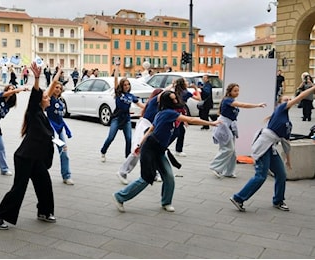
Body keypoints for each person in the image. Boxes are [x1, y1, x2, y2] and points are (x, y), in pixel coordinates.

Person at [112, 91, 221, 213]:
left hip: (159, 150)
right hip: (151, 148)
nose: (176, 101)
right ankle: (120, 196)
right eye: (173, 99)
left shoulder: (162, 113)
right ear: (168, 102)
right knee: (146, 178)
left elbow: (151, 129)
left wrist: (139, 144)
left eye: (176, 98)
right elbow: (191, 119)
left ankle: (166, 202)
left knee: (168, 177)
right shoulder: (168, 113)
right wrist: (211, 123)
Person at [0, 61, 56, 230]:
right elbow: (35, 96)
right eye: (46, 97)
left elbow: (47, 136)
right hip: (25, 158)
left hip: (37, 158)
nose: (49, 99)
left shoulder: (42, 114)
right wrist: (37, 78)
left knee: (44, 184)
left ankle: (44, 211)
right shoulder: (34, 111)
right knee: (19, 188)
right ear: (40, 101)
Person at [230, 84, 315, 212]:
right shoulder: (281, 109)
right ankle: (238, 198)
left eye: (288, 100)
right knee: (261, 176)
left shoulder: (287, 122)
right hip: (264, 145)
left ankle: (278, 200)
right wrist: (313, 88)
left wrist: (288, 160)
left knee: (281, 174)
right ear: (280, 103)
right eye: (285, 100)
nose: (287, 101)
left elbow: (286, 143)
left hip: (271, 148)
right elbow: (301, 97)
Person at [210, 83, 267, 178]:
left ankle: (228, 171)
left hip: (229, 126)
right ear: (230, 91)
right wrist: (257, 105)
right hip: (223, 126)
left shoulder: (230, 100)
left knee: (232, 151)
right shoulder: (228, 100)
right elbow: (243, 105)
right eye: (235, 91)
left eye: (238, 91)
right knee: (228, 149)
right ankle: (215, 167)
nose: (237, 93)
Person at [117, 88, 163, 185]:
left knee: (153, 151)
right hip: (144, 128)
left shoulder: (161, 106)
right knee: (137, 151)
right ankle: (122, 172)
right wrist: (172, 85)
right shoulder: (153, 102)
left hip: (151, 129)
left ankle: (154, 173)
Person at [100, 64, 145, 162]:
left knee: (129, 139)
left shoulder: (131, 96)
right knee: (111, 137)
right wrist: (116, 67)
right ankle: (103, 152)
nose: (127, 86)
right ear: (121, 86)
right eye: (125, 85)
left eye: (128, 85)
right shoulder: (118, 93)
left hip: (126, 119)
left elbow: (141, 105)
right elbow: (116, 78)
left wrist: (150, 107)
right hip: (116, 118)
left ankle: (127, 157)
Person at [46, 66, 74, 185]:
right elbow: (52, 83)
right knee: (45, 152)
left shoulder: (60, 101)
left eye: (59, 88)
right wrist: (58, 72)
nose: (57, 89)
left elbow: (60, 118)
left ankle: (66, 176)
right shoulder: (49, 99)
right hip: (50, 129)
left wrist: (67, 130)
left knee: (64, 152)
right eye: (56, 87)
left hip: (60, 128)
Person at [167, 78, 201, 157]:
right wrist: (196, 89)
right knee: (176, 132)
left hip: (173, 112)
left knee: (180, 131)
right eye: (185, 81)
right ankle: (166, 147)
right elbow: (198, 98)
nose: (187, 82)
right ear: (183, 83)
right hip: (178, 113)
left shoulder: (174, 91)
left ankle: (177, 149)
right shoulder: (186, 93)